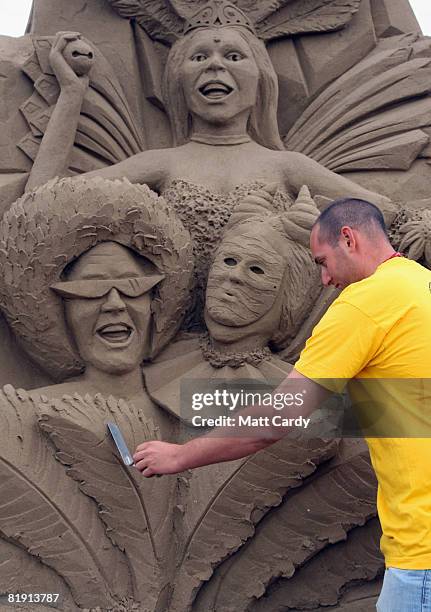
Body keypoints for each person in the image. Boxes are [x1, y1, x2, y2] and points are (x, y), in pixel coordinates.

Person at [133, 198, 431, 612]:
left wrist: (181, 454)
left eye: (323, 262)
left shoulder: (366, 302)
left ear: (349, 239)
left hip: (423, 550)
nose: (325, 279)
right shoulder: (419, 285)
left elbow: (276, 419)